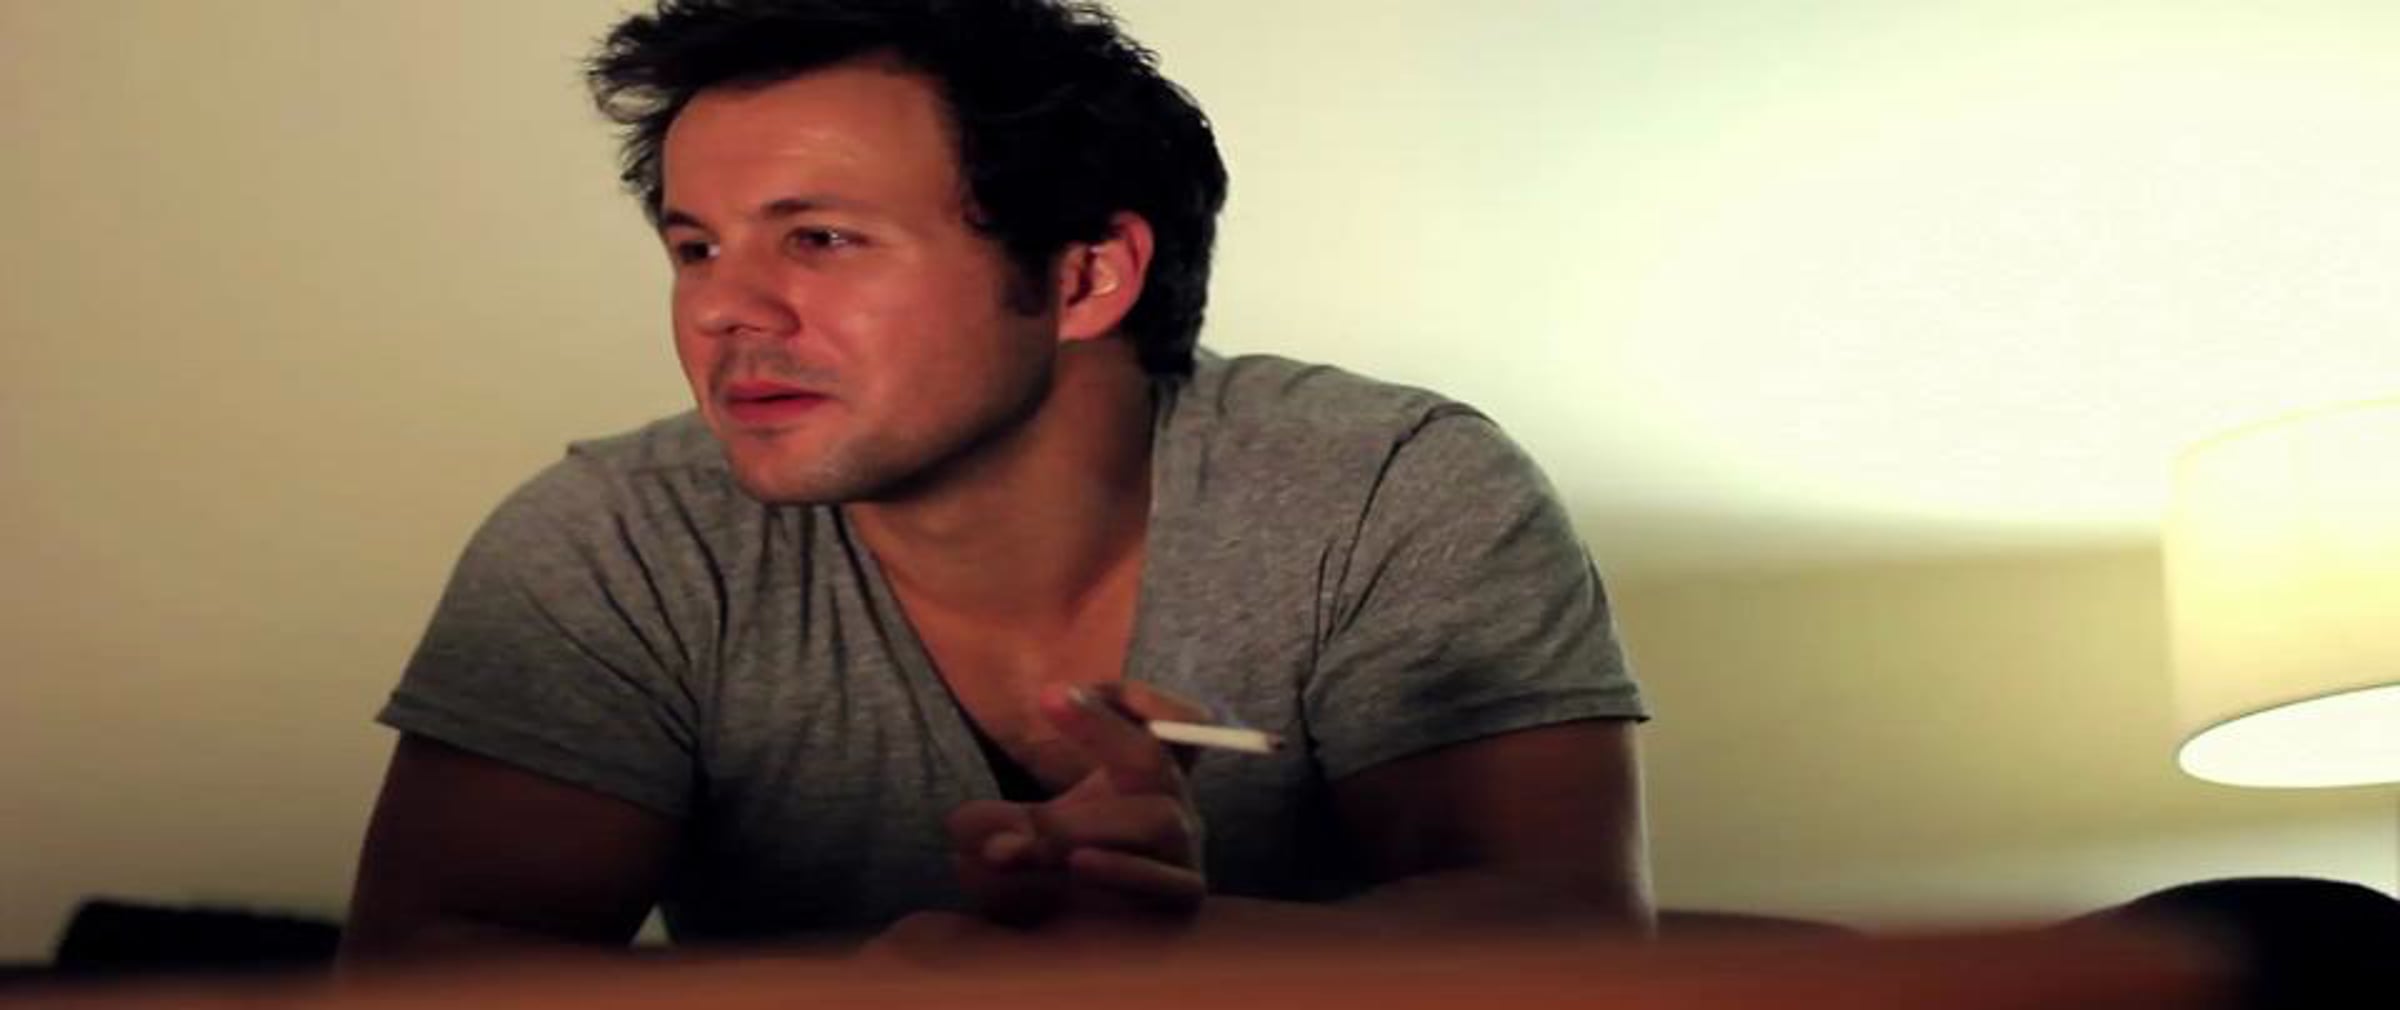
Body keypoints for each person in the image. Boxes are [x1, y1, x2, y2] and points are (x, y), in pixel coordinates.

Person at [341, 0, 1651, 964]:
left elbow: (1568, 936)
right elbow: (421, 970)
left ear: (1085, 277)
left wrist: (1171, 958)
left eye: (820, 238)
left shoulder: (1387, 491)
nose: (722, 308)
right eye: (696, 248)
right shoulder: (620, 539)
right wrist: (897, 992)